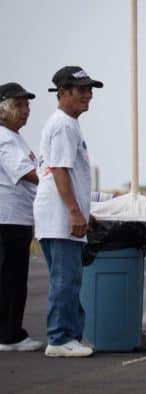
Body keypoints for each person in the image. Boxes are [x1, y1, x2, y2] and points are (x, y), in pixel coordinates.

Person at [34, 66, 102, 357]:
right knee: (66, 279)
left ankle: (71, 334)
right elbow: (59, 170)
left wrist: (83, 212)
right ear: (62, 93)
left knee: (70, 278)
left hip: (63, 214)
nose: (88, 95)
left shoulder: (68, 123)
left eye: (90, 90)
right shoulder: (63, 124)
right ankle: (60, 338)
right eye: (81, 90)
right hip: (59, 216)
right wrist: (74, 211)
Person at [0, 82, 43, 352]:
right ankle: (8, 334)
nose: (26, 110)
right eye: (19, 105)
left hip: (18, 218)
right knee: (9, 277)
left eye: (27, 105)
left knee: (14, 276)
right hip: (8, 219)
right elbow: (26, 172)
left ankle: (11, 330)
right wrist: (55, 180)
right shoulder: (4, 137)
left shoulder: (14, 136)